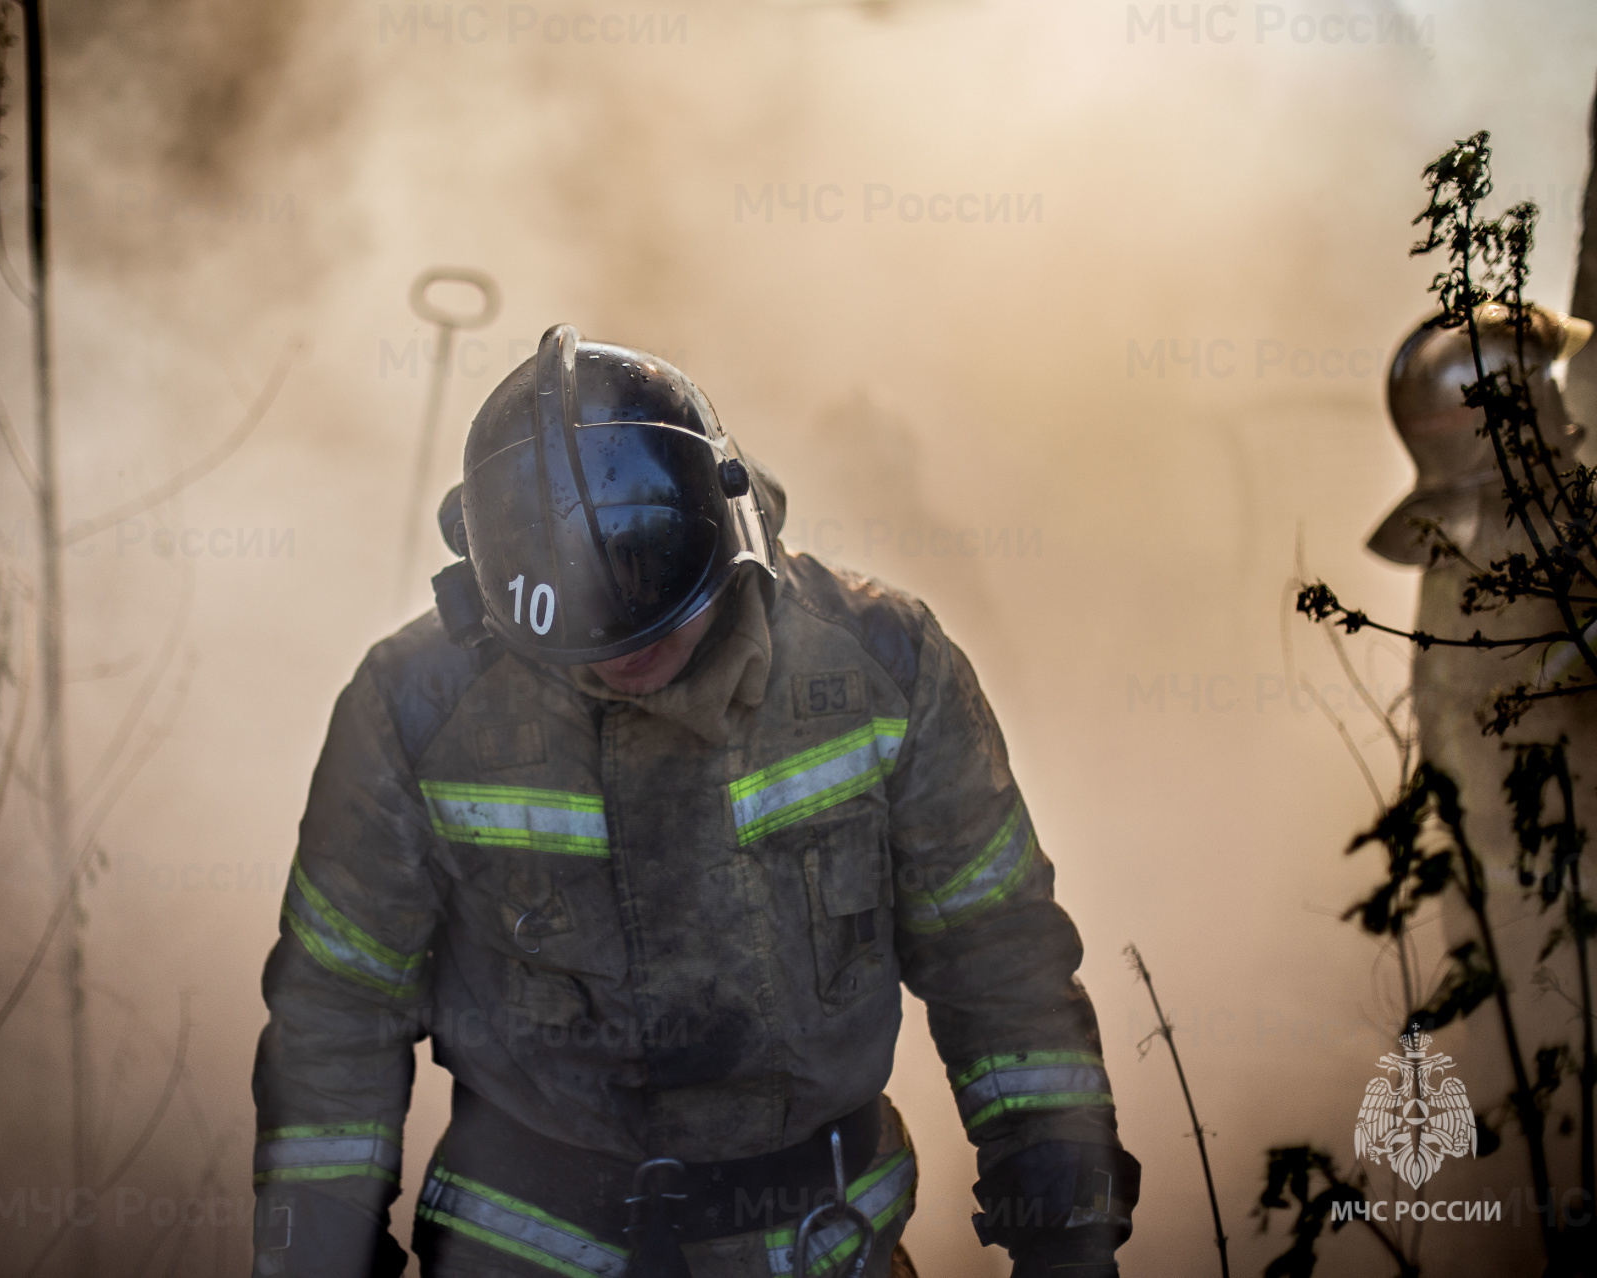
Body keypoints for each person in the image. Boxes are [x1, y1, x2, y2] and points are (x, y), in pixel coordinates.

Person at [252, 327, 1138, 1278]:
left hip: (818, 1251)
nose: (620, 649)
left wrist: (1066, 1233)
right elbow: (337, 1012)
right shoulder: (413, 708)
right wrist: (319, 1254)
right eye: (576, 622)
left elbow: (996, 956)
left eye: (645, 589)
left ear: (729, 522)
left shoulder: (883, 666)